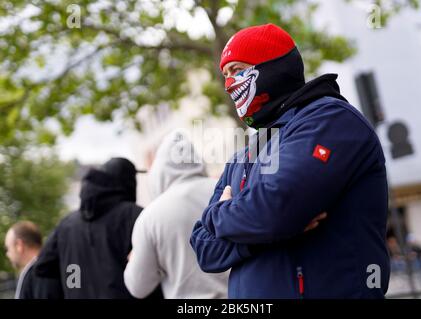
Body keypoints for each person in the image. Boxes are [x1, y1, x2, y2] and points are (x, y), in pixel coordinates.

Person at [190, 23, 390, 298]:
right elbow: (204, 249)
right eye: (224, 74)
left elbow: (279, 207)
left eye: (236, 70)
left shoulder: (331, 120)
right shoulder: (245, 154)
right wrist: (263, 234)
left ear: (272, 67)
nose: (228, 85)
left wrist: (219, 215)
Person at [34, 158, 163, 299]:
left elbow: (43, 266)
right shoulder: (135, 216)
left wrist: (77, 282)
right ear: (129, 182)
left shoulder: (66, 225)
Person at [124, 132, 228, 299]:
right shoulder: (226, 191)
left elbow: (138, 286)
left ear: (158, 171)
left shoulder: (150, 217)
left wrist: (135, 257)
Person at [4, 221, 62, 299]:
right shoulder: (54, 267)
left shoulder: (38, 273)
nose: (7, 254)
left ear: (19, 245)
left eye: (7, 248)